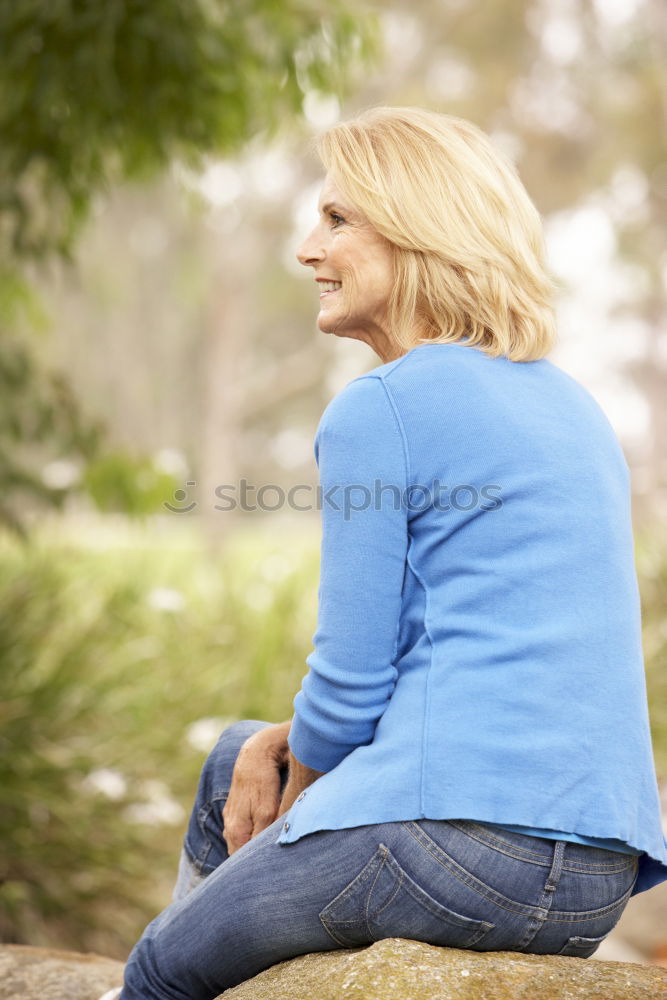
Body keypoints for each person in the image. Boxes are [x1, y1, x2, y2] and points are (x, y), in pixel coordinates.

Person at [114, 107, 667, 1000]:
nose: (306, 249)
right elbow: (491, 655)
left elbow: (351, 682)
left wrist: (308, 800)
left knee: (160, 968)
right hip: (596, 877)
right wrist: (281, 748)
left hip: (453, 849)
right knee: (235, 757)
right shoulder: (571, 406)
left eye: (337, 220)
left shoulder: (384, 407)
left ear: (420, 230)